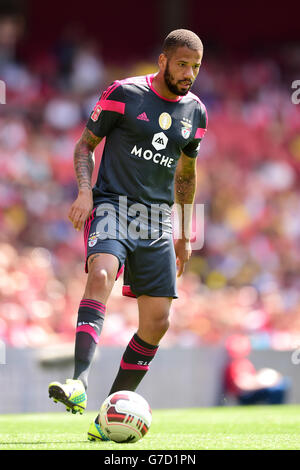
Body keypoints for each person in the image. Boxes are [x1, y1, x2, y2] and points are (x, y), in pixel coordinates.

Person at [48, 29, 208, 441]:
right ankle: (78, 383)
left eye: (196, 66)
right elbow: (85, 146)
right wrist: (85, 191)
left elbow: (186, 174)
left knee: (158, 322)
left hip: (157, 220)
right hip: (112, 205)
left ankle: (108, 416)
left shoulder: (197, 114)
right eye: (182, 64)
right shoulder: (124, 93)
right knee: (100, 274)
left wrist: (186, 232)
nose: (189, 73)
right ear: (163, 61)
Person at [222, 334, 290, 406]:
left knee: (283, 383)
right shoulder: (233, 366)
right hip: (244, 396)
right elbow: (241, 386)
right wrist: (262, 384)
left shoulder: (245, 363)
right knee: (277, 389)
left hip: (251, 391)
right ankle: (275, 408)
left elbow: (252, 378)